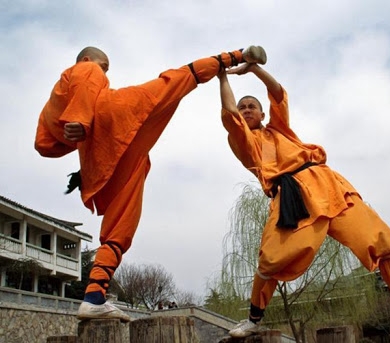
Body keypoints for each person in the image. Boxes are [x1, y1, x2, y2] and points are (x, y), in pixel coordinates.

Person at [34, 45, 267, 322]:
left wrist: (74, 131)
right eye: (104, 65)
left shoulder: (53, 104)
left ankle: (94, 296)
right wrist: (80, 121)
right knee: (177, 79)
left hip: (103, 155)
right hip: (117, 116)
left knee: (119, 225)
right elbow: (87, 80)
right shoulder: (83, 68)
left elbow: (44, 144)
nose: (104, 71)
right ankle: (239, 54)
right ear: (87, 59)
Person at [217, 63, 390, 338]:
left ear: (263, 114)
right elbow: (229, 112)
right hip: (293, 197)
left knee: (381, 240)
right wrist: (222, 76)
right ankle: (253, 320)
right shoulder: (244, 142)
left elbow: (276, 92)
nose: (247, 110)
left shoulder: (281, 130)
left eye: (252, 106)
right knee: (272, 259)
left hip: (328, 185)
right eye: (243, 108)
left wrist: (254, 69)